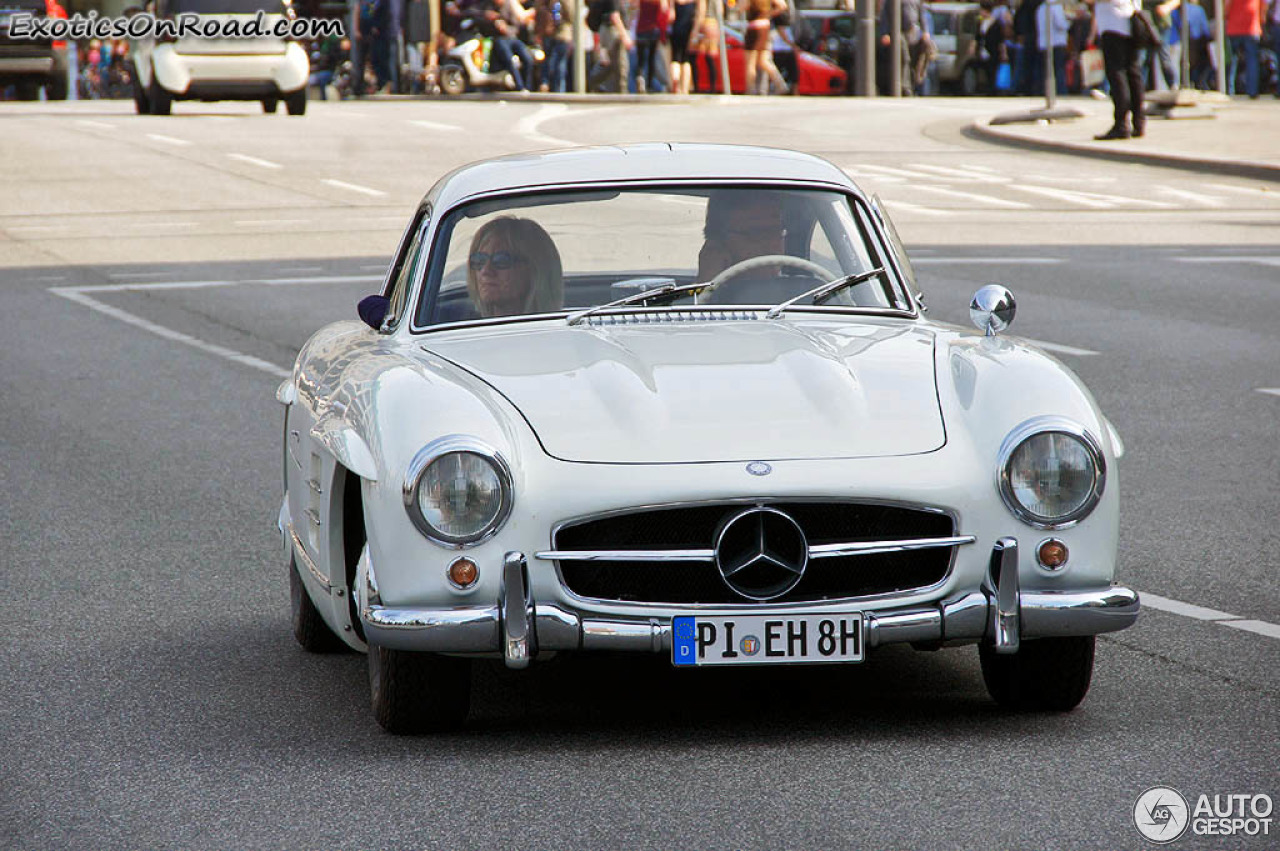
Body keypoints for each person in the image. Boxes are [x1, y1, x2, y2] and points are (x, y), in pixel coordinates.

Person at [467, 217, 564, 318]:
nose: (485, 271)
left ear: (533, 271)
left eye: (501, 261)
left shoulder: (556, 330)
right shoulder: (462, 329)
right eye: (479, 260)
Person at [697, 191, 786, 281]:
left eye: (777, 231)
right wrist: (708, 280)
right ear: (719, 242)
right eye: (758, 233)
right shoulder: (712, 290)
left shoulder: (798, 291)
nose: (775, 243)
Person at [1090, 0, 1145, 139]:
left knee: (1117, 74)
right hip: (1131, 22)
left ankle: (1121, 124)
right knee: (1133, 73)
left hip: (1113, 25)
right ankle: (1139, 122)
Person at [588, 0, 634, 91]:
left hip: (606, 31)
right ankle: (621, 92)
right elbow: (615, 16)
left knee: (610, 64)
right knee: (621, 65)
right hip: (613, 32)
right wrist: (624, 35)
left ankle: (594, 82)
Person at [744, 0, 787, 94]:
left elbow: (743, 6)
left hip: (754, 26)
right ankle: (781, 84)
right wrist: (769, 13)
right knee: (763, 61)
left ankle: (750, 89)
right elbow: (782, 5)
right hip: (765, 26)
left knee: (750, 62)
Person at [1225, 0, 1263, 96]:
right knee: (1252, 61)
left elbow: (1227, 6)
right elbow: (1265, 4)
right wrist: (1262, 18)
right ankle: (1252, 91)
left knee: (1232, 60)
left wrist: (1225, 15)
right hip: (1252, 28)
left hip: (1234, 26)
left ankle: (1229, 89)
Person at [1037, 0, 1070, 93]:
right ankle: (1061, 91)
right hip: (1057, 42)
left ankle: (1046, 91)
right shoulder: (1056, 6)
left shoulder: (1041, 8)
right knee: (1059, 70)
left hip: (1044, 43)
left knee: (1047, 71)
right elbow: (1061, 24)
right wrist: (1069, 23)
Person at [668, 0, 700, 93]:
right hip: (688, 28)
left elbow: (670, 16)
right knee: (686, 59)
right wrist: (695, 32)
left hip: (676, 28)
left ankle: (676, 82)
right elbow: (699, 13)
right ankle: (684, 88)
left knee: (675, 59)